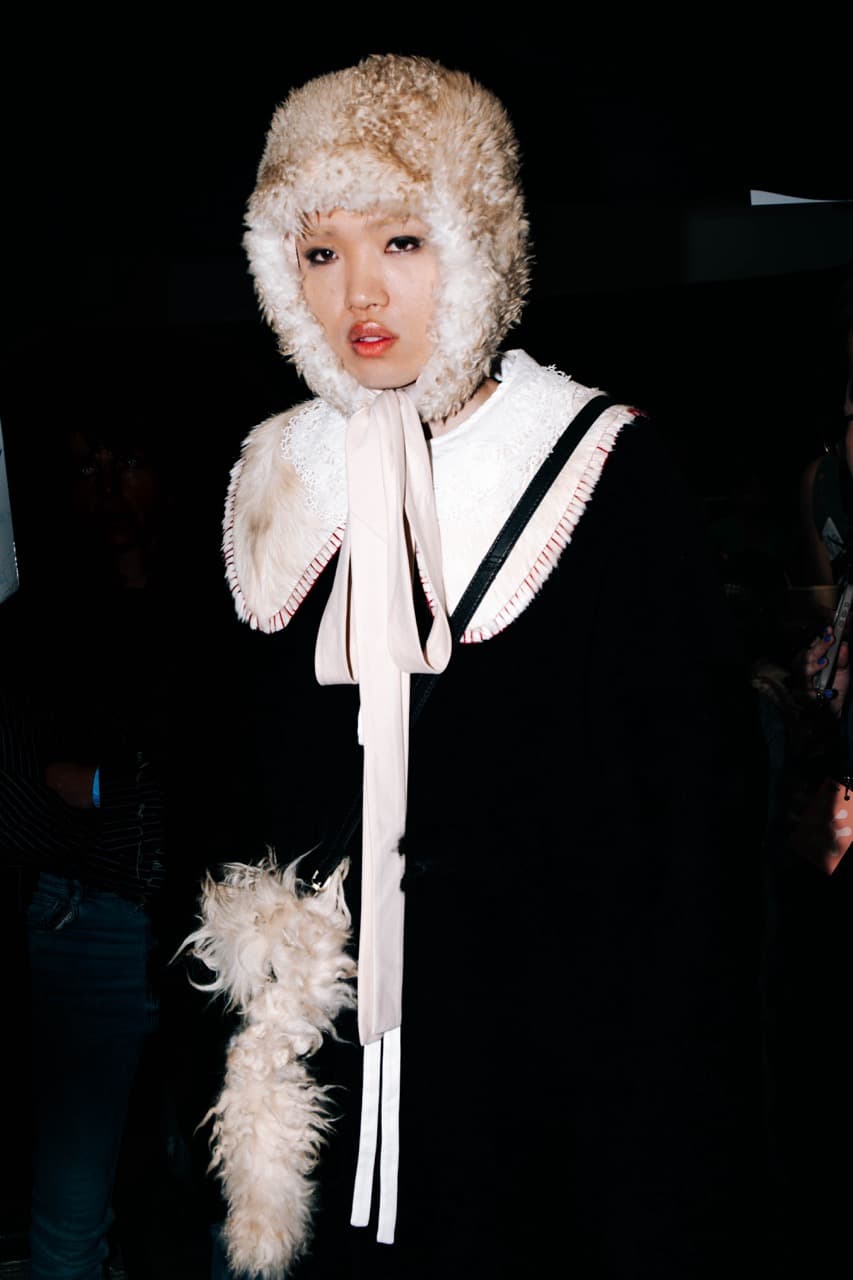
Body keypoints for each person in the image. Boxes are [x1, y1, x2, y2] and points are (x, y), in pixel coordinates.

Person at [192, 54, 769, 1279]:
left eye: (400, 239)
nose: (360, 291)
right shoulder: (272, 471)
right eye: (318, 250)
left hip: (549, 1066)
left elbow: (692, 832)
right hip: (322, 1059)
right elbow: (230, 779)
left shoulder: (596, 464)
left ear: (476, 240)